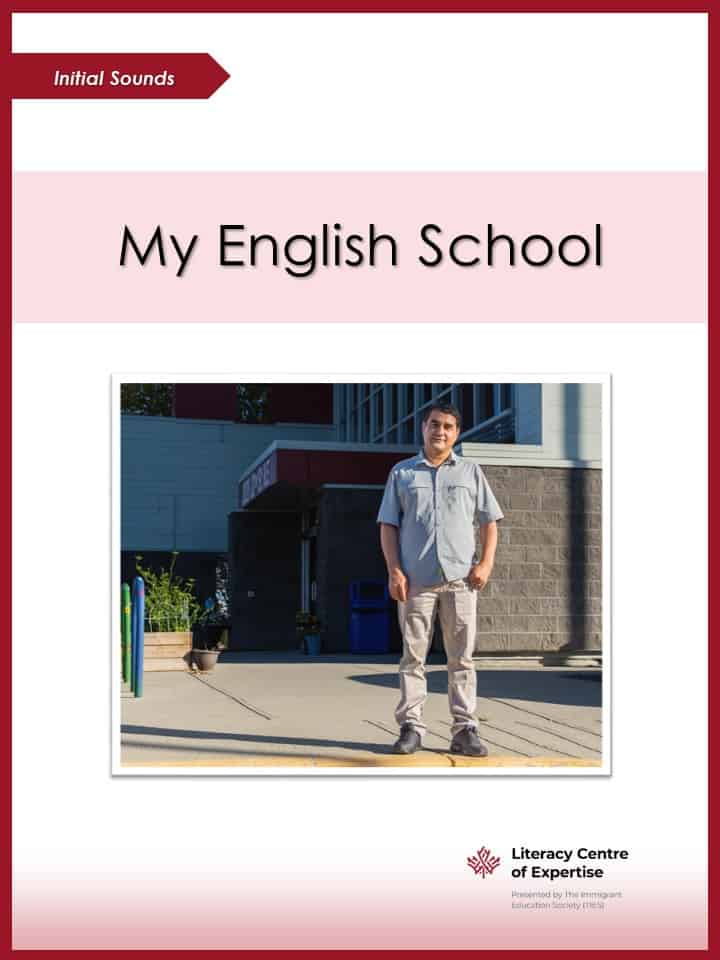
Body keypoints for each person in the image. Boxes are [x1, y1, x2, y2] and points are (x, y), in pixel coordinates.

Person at [377, 403, 504, 756]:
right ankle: (411, 728)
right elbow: (388, 525)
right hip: (415, 582)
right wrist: (394, 570)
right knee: (412, 658)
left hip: (462, 582)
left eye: (449, 426)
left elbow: (489, 522)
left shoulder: (470, 472)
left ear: (457, 433)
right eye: (435, 424)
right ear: (423, 428)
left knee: (461, 659)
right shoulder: (402, 473)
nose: (441, 431)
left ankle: (464, 729)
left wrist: (486, 563)